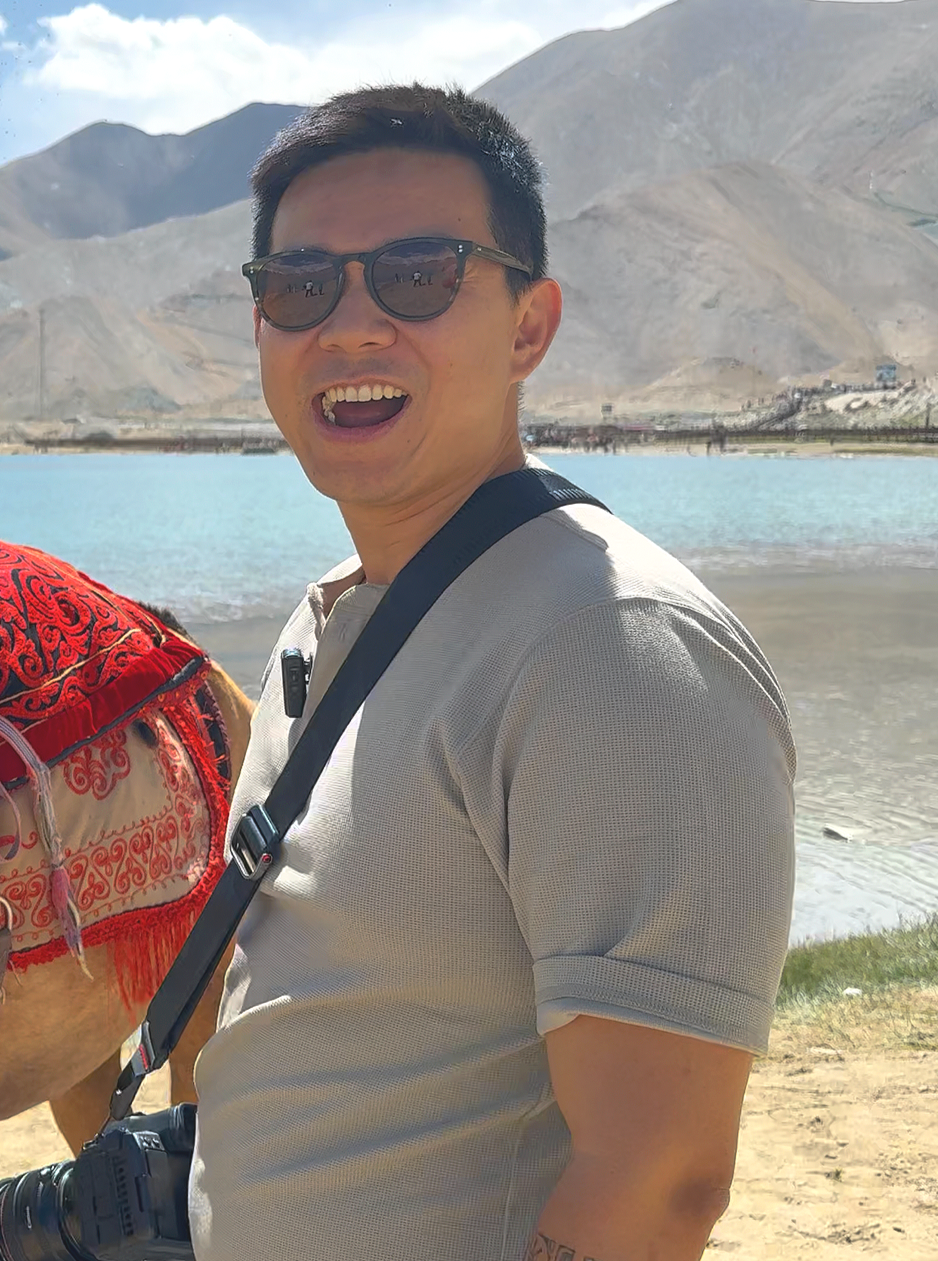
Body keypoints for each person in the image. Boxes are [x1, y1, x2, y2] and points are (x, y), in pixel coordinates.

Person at [189, 87, 794, 1261]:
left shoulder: (611, 648)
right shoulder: (332, 615)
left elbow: (655, 1185)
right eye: (298, 285)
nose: (349, 326)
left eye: (417, 274)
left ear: (528, 326)